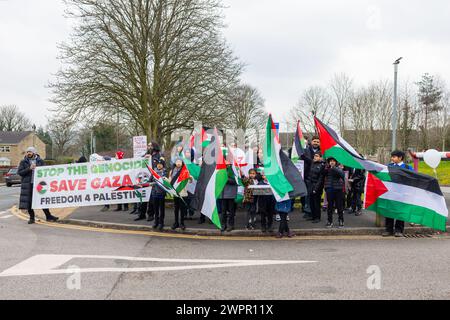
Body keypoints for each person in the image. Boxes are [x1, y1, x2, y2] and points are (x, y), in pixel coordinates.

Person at [18, 147, 59, 224]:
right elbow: (20, 172)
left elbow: (45, 172)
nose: (28, 153)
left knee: (42, 200)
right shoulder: (23, 162)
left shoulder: (40, 161)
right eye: (27, 152)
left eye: (30, 152)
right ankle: (32, 218)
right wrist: (29, 169)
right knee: (29, 202)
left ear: (34, 152)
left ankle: (48, 216)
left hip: (39, 185)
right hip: (28, 185)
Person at [382, 150, 413, 237]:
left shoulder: (407, 168)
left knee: (400, 212)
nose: (392, 158)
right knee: (389, 211)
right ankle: (388, 230)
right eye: (392, 156)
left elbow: (413, 178)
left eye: (394, 157)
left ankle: (399, 230)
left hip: (402, 194)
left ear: (400, 158)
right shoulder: (389, 166)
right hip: (390, 193)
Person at [302, 136, 321, 219]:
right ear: (311, 142)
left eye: (317, 141)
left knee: (316, 196)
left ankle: (315, 213)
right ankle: (307, 211)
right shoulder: (305, 150)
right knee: (307, 195)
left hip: (317, 178)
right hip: (307, 176)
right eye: (314, 141)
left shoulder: (322, 151)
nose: (316, 143)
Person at [170, 158, 192, 230]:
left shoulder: (185, 170)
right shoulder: (172, 171)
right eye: (177, 161)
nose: (178, 163)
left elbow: (190, 181)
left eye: (180, 162)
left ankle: (182, 223)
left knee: (182, 209)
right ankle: (176, 223)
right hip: (175, 192)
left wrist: (190, 178)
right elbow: (170, 180)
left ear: (182, 163)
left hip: (183, 192)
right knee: (176, 208)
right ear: (175, 163)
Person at [324, 157, 345, 228]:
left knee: (339, 206)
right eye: (330, 161)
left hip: (338, 189)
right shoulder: (327, 169)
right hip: (329, 189)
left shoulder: (338, 168)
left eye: (333, 161)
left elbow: (342, 175)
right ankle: (330, 221)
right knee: (330, 206)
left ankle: (341, 220)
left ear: (336, 162)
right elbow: (322, 173)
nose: (332, 162)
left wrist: (334, 168)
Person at [219, 162, 238, 232]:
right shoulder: (221, 169)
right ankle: (223, 225)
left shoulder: (233, 169)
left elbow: (235, 180)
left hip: (231, 193)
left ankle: (231, 225)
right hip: (223, 193)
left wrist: (226, 179)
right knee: (223, 211)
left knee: (231, 211)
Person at [149, 158, 167, 231]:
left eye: (161, 164)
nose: (159, 166)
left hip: (161, 193)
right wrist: (150, 183)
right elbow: (149, 180)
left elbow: (164, 181)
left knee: (161, 209)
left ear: (163, 165)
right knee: (155, 209)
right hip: (154, 193)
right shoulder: (153, 172)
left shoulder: (165, 172)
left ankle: (161, 222)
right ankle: (156, 221)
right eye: (158, 164)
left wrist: (154, 182)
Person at [309, 152, 326, 223]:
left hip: (317, 186)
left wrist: (316, 188)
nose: (315, 157)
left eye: (317, 156)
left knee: (316, 203)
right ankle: (313, 216)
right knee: (311, 202)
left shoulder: (322, 165)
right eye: (314, 156)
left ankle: (317, 217)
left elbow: (321, 179)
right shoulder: (313, 163)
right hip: (311, 185)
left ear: (320, 157)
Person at [257, 169, 275, 233]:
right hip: (262, 201)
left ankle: (270, 226)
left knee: (270, 214)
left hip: (271, 201)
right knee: (263, 214)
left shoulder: (272, 183)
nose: (266, 176)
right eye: (264, 175)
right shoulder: (260, 183)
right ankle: (263, 226)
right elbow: (257, 192)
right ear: (262, 176)